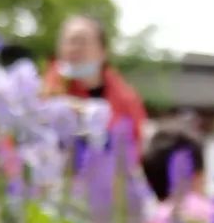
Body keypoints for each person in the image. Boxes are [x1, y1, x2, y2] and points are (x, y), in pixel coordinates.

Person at [42, 15, 147, 147]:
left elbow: (136, 146)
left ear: (103, 52)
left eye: (81, 41)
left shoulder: (126, 98)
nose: (73, 48)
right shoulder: (43, 92)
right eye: (68, 41)